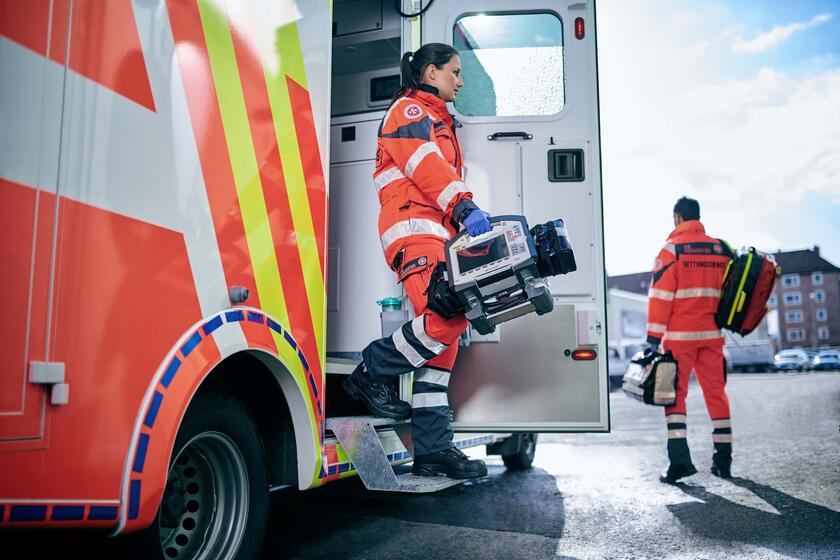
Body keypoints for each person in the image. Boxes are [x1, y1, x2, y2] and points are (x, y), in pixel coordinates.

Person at [342, 43, 490, 479]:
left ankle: (433, 451)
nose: (460, 82)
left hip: (434, 235)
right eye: (455, 72)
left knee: (441, 346)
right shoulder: (408, 112)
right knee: (447, 316)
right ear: (431, 72)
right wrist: (464, 206)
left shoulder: (437, 118)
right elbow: (426, 167)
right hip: (413, 229)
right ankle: (373, 368)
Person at [645, 197, 735, 483]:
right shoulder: (722, 250)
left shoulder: (672, 250)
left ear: (678, 217)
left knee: (675, 397)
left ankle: (680, 462)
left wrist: (652, 338)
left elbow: (661, 297)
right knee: (716, 395)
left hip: (679, 339)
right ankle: (723, 461)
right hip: (712, 337)